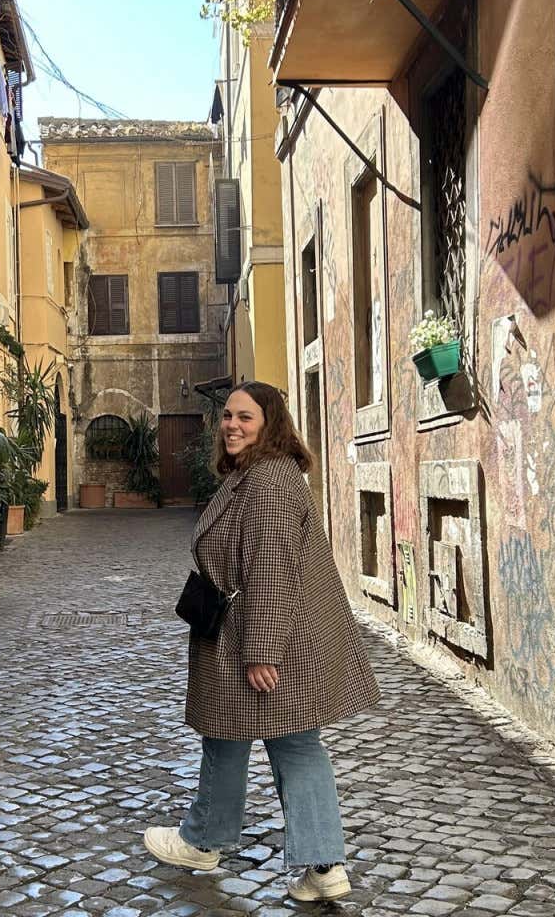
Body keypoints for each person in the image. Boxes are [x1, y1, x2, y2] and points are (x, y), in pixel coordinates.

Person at [143, 380, 380, 902]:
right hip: (257, 629)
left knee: (291, 743)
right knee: (236, 735)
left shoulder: (269, 482)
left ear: (270, 424)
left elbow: (271, 570)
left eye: (245, 418)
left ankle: (305, 861)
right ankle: (225, 843)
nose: (232, 425)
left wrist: (263, 653)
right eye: (227, 416)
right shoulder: (256, 473)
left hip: (270, 636)